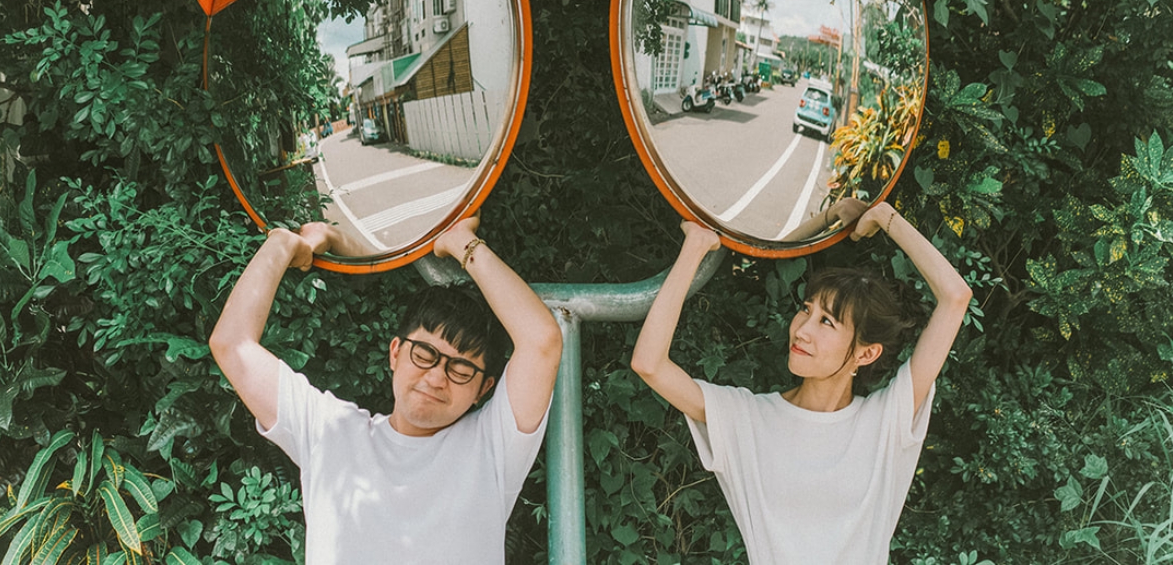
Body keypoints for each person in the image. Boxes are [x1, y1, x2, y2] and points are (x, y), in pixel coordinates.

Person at [631, 203, 972, 564]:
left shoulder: (884, 422)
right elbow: (649, 363)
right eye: (806, 310)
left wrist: (885, 216)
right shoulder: (748, 418)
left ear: (866, 353)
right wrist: (696, 247)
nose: (802, 330)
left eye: (827, 322)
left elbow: (955, 297)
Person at [209, 217, 562, 565]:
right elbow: (232, 345)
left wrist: (462, 243)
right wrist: (282, 245)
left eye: (460, 368)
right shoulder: (329, 431)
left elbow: (540, 340)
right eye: (424, 354)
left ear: (483, 388)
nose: (437, 377)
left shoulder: (493, 446)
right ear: (395, 352)